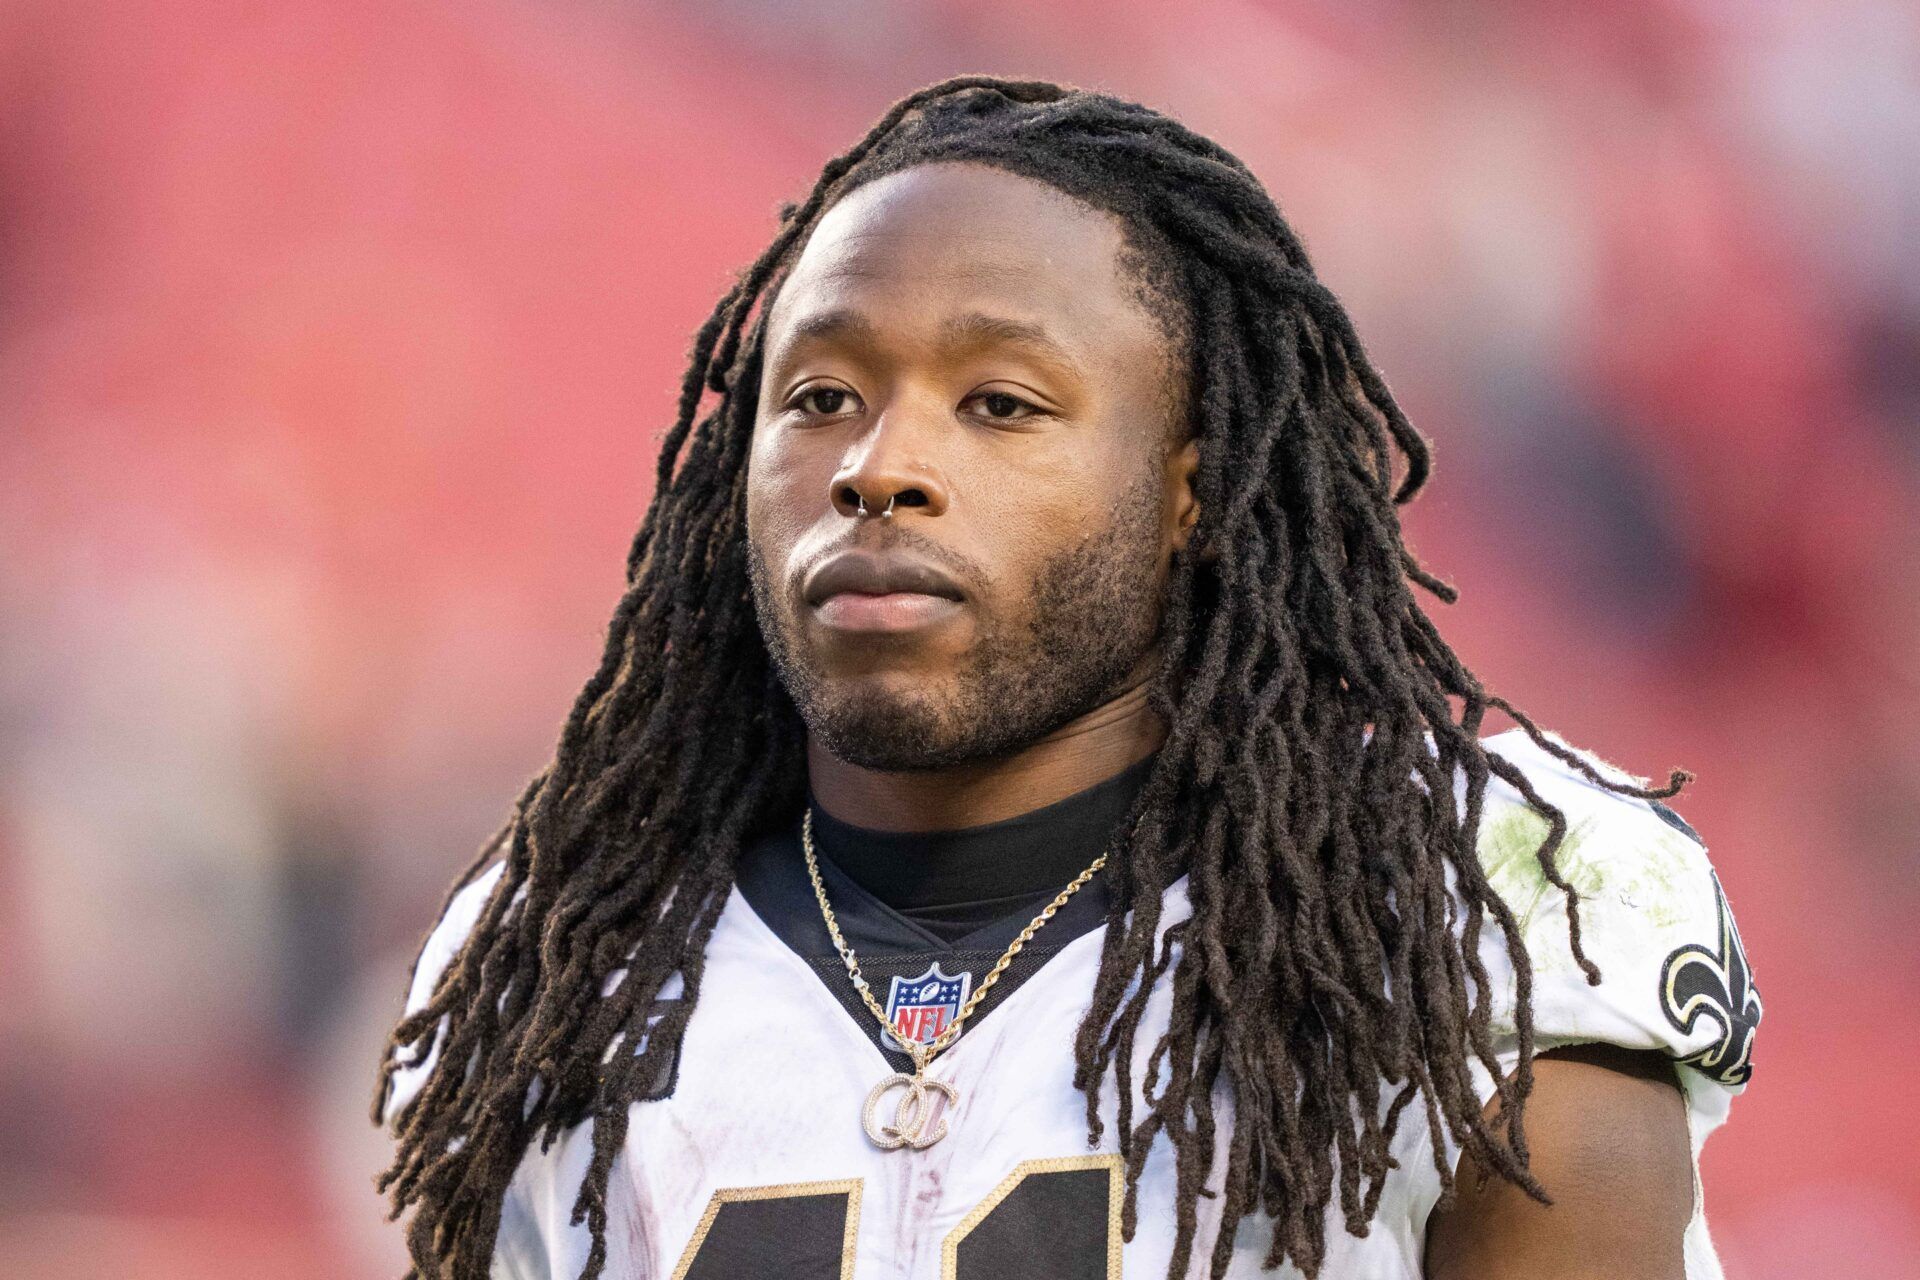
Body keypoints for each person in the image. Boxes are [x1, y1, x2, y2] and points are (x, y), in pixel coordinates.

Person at [373, 76, 1761, 1280]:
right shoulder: (559, 956)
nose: (878, 468)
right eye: (820, 399)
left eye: (1001, 406)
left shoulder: (1489, 901)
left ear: (1192, 490)